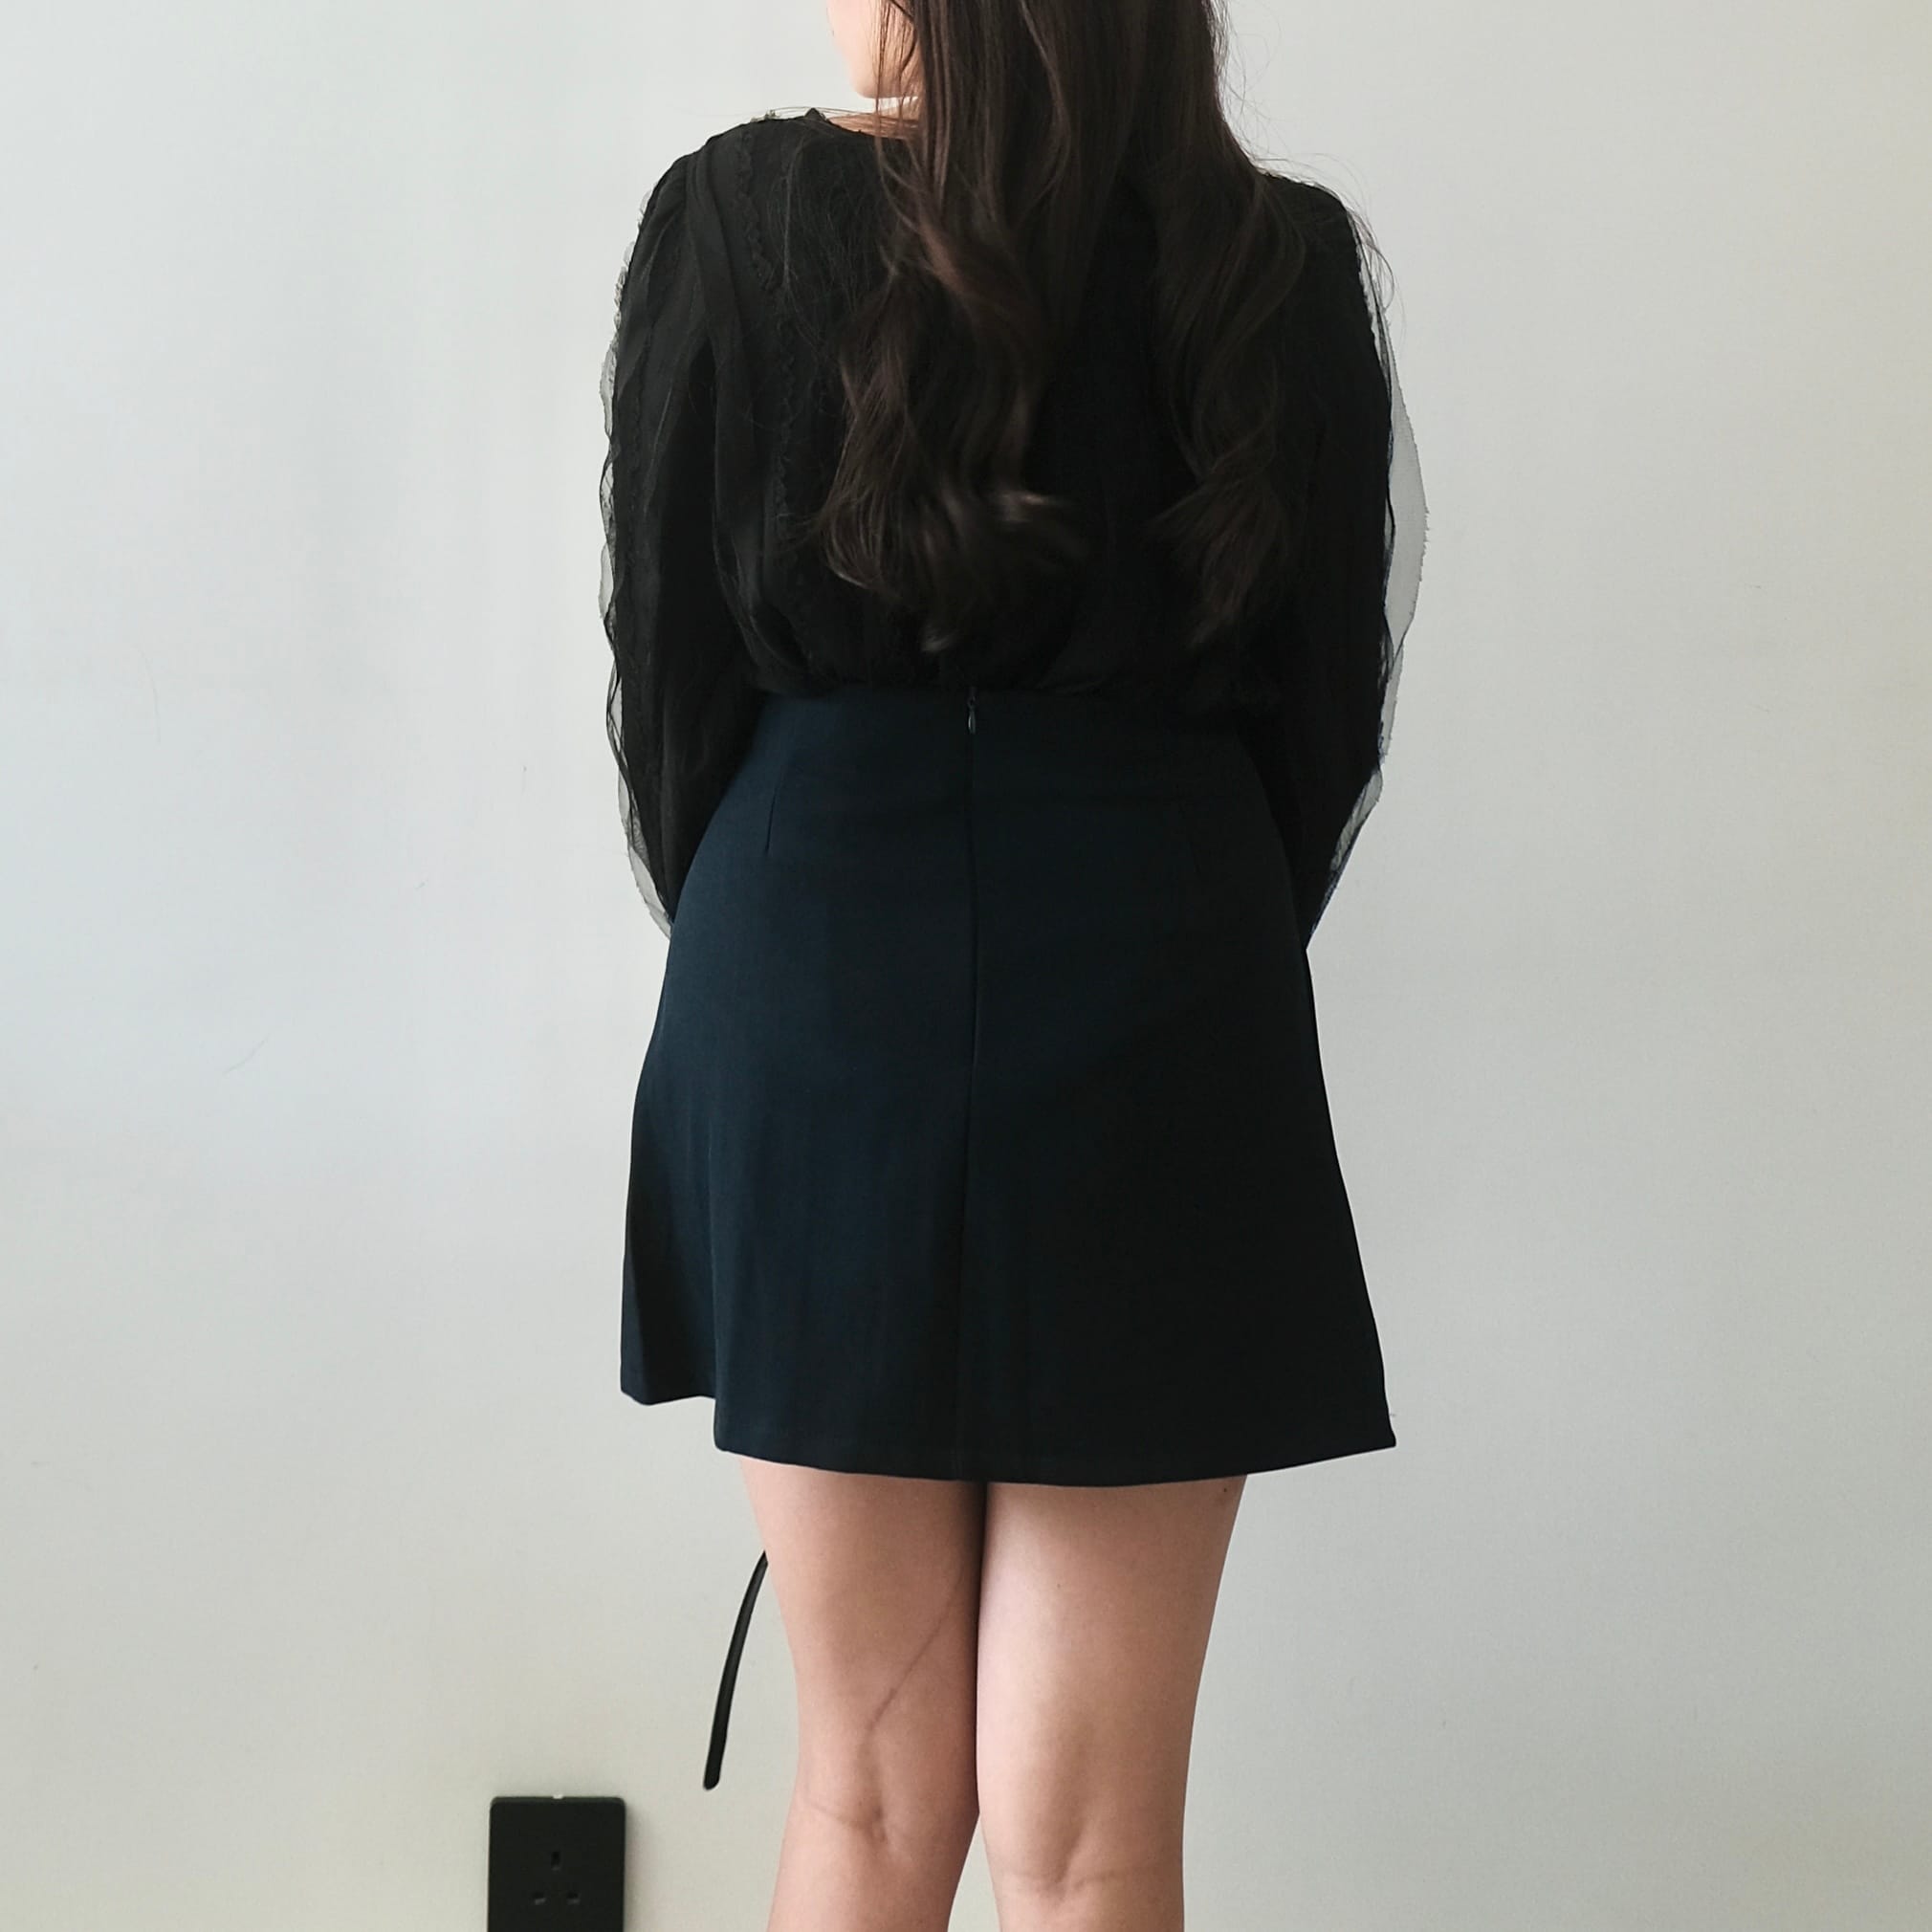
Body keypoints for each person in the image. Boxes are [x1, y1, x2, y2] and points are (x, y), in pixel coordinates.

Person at [599, 0, 1426, 1923]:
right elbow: (1321, 713)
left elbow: (670, 677)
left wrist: (773, 933)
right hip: (1161, 972)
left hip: (811, 966)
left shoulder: (733, 217)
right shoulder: (1269, 257)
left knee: (868, 1794)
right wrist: (1185, 925)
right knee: (1093, 1832)